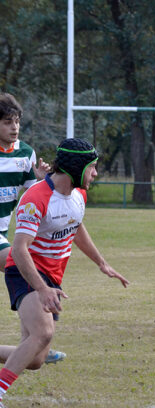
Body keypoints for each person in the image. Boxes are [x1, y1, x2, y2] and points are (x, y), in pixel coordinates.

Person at [0, 138, 130, 408]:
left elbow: (75, 225)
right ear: (75, 167)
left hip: (51, 277)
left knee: (35, 359)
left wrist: (102, 263)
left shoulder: (78, 195)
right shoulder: (36, 198)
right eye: (92, 167)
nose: (95, 173)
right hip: (25, 271)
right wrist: (42, 288)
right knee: (43, 332)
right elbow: (20, 249)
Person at [0, 92, 66, 366]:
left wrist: (39, 180)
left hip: (2, 232)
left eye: (16, 121)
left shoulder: (26, 154)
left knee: (35, 361)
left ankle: (34, 345)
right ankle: (38, 337)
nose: (14, 127)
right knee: (23, 266)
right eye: (6, 122)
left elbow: (35, 198)